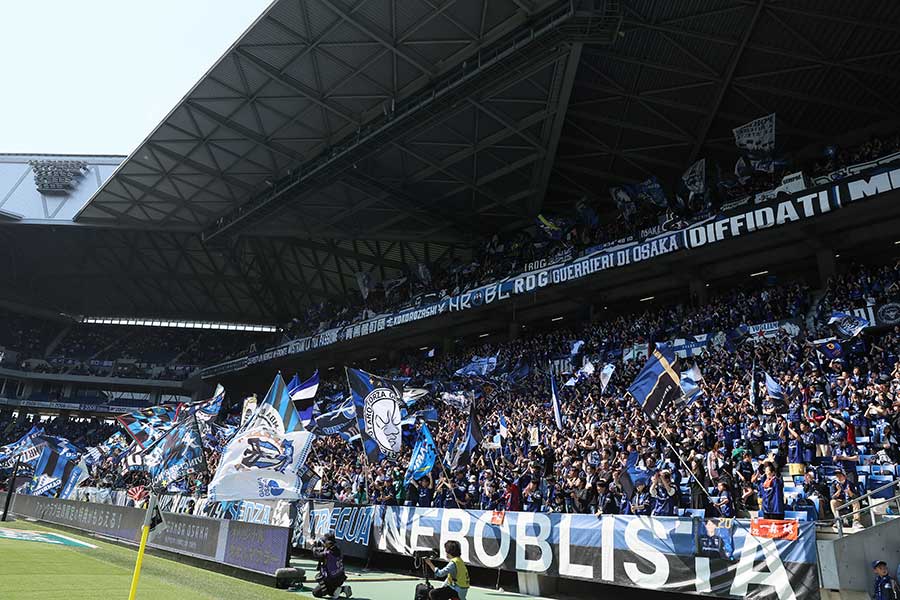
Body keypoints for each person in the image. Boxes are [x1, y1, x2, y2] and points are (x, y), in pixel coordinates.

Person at [312, 533, 352, 598]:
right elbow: (323, 551)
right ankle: (341, 589)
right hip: (341, 576)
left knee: (316, 592)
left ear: (329, 543)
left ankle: (338, 590)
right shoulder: (337, 549)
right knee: (326, 587)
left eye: (324, 542)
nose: (323, 543)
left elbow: (316, 554)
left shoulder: (328, 553)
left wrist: (313, 546)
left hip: (332, 579)